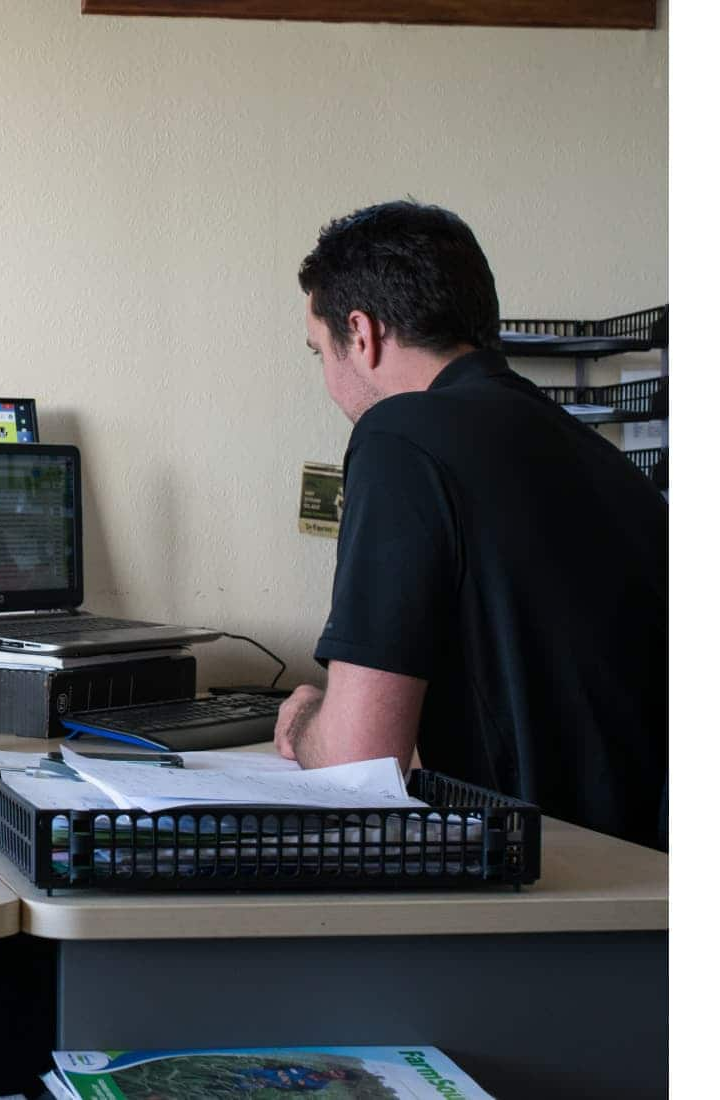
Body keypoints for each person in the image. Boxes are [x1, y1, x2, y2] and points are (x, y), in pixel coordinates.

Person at [273, 200, 668, 850]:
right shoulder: (600, 457)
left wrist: (306, 718)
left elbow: (357, 765)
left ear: (362, 334)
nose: (328, 379)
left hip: (536, 891)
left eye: (320, 352)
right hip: (638, 891)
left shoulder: (400, 436)